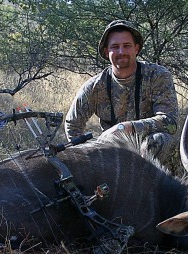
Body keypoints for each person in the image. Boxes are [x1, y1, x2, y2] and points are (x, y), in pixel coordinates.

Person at [65, 19, 178, 168]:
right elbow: (72, 124)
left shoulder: (158, 75)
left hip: (147, 149)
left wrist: (125, 128)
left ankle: (162, 189)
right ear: (106, 51)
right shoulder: (95, 86)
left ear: (136, 48)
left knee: (160, 140)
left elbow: (170, 122)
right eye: (115, 47)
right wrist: (87, 154)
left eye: (127, 46)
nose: (121, 52)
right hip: (112, 153)